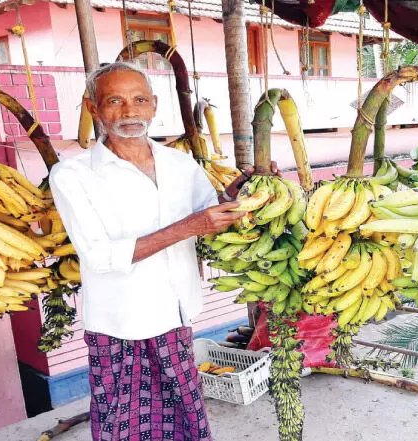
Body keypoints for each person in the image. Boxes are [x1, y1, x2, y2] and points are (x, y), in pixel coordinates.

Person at [49, 62, 276, 441]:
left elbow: (207, 211)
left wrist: (237, 193)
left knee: (184, 416)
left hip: (175, 313)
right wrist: (191, 226)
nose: (129, 112)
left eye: (139, 100)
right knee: (123, 423)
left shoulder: (179, 164)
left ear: (154, 105)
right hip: (120, 322)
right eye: (115, 101)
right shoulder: (73, 176)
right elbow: (99, 256)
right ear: (93, 108)